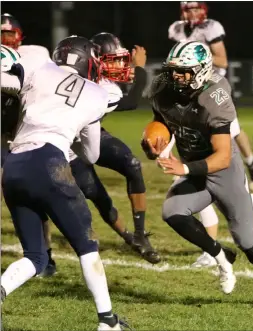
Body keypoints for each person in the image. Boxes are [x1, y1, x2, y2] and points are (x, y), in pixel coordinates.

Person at [142, 41, 253, 310]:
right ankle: (222, 257)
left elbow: (221, 156)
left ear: (201, 70)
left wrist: (184, 169)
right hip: (195, 168)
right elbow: (163, 121)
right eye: (173, 70)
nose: (176, 77)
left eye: (183, 71)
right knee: (172, 211)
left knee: (247, 240)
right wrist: (153, 141)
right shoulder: (162, 88)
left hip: (223, 172)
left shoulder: (215, 97)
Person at [1, 35, 130, 330]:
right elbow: (93, 154)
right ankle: (107, 321)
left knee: (36, 256)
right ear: (89, 63)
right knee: (87, 245)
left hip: (14, 164)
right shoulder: (97, 93)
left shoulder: (37, 63)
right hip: (49, 160)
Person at [168, 3, 253, 267]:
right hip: (191, 99)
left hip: (212, 94)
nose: (189, 14)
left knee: (227, 151)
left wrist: (198, 59)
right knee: (225, 193)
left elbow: (222, 60)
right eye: (186, 8)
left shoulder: (211, 28)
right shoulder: (177, 30)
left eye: (194, 8)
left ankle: (252, 165)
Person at [51, 32, 161, 265]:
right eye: (112, 60)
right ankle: (129, 237)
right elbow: (130, 103)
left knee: (132, 164)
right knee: (96, 194)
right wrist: (139, 70)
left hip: (88, 134)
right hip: (67, 144)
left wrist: (127, 73)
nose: (118, 65)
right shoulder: (94, 88)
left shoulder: (100, 81)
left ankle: (140, 235)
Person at [1, 13, 59, 277]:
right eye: (2, 33)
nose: (5, 37)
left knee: (32, 196)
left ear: (20, 35)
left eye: (10, 33)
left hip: (26, 133)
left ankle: (44, 254)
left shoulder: (35, 54)